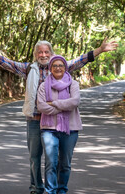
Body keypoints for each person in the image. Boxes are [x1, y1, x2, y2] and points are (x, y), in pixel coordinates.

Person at [0, 38, 117, 194]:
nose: (43, 54)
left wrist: (100, 49)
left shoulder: (60, 66)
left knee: (53, 159)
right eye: (40, 52)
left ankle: (54, 188)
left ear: (51, 53)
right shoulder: (29, 68)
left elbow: (81, 60)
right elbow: (7, 63)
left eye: (46, 51)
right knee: (34, 157)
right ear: (35, 54)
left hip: (54, 121)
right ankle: (36, 188)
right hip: (35, 119)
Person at [36, 55, 81, 194]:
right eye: (54, 65)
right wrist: (64, 106)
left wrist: (53, 104)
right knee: (51, 163)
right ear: (50, 68)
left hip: (70, 129)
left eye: (61, 65)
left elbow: (74, 102)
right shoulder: (44, 85)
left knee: (65, 164)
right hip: (49, 129)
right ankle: (50, 191)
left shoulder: (73, 84)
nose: (58, 68)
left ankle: (62, 190)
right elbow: (41, 107)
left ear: (65, 67)